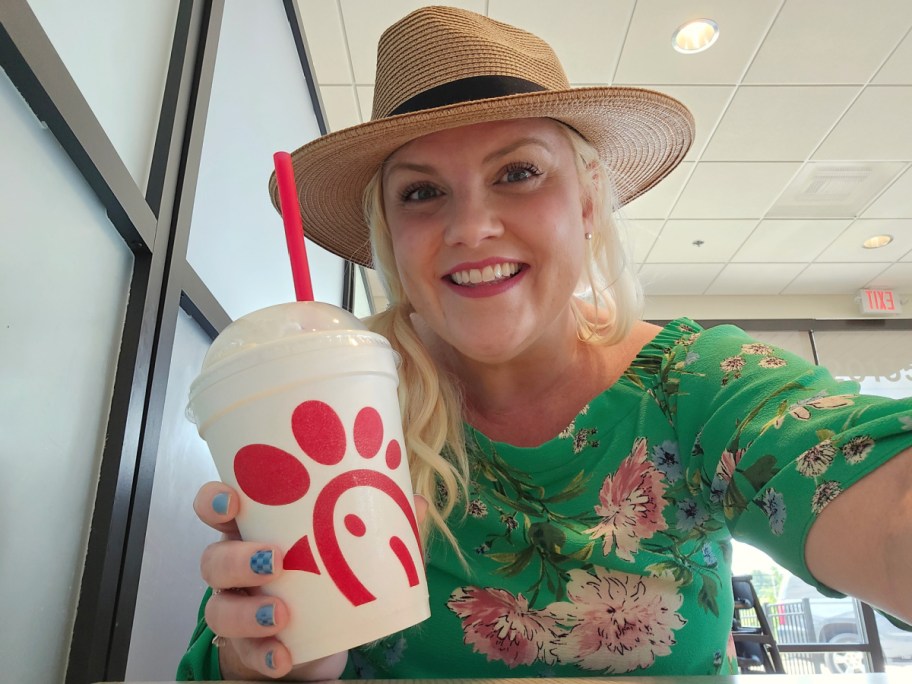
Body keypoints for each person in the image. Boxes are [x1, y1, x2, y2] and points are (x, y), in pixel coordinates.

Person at [178, 6, 912, 681]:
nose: (471, 227)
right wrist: (271, 662)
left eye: (518, 173)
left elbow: (879, 511)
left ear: (589, 202)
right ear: (390, 240)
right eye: (421, 192)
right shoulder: (332, 408)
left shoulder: (695, 385)